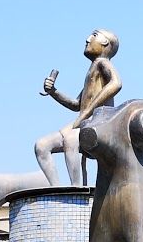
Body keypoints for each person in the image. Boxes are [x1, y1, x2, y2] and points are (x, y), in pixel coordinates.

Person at [34, 29, 122, 185]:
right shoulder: (92, 69)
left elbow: (116, 83)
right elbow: (77, 105)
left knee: (70, 139)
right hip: (83, 123)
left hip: (99, 123)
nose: (88, 39)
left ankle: (76, 188)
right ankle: (57, 189)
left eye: (94, 35)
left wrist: (89, 110)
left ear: (105, 42)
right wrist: (53, 92)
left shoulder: (103, 63)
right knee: (42, 145)